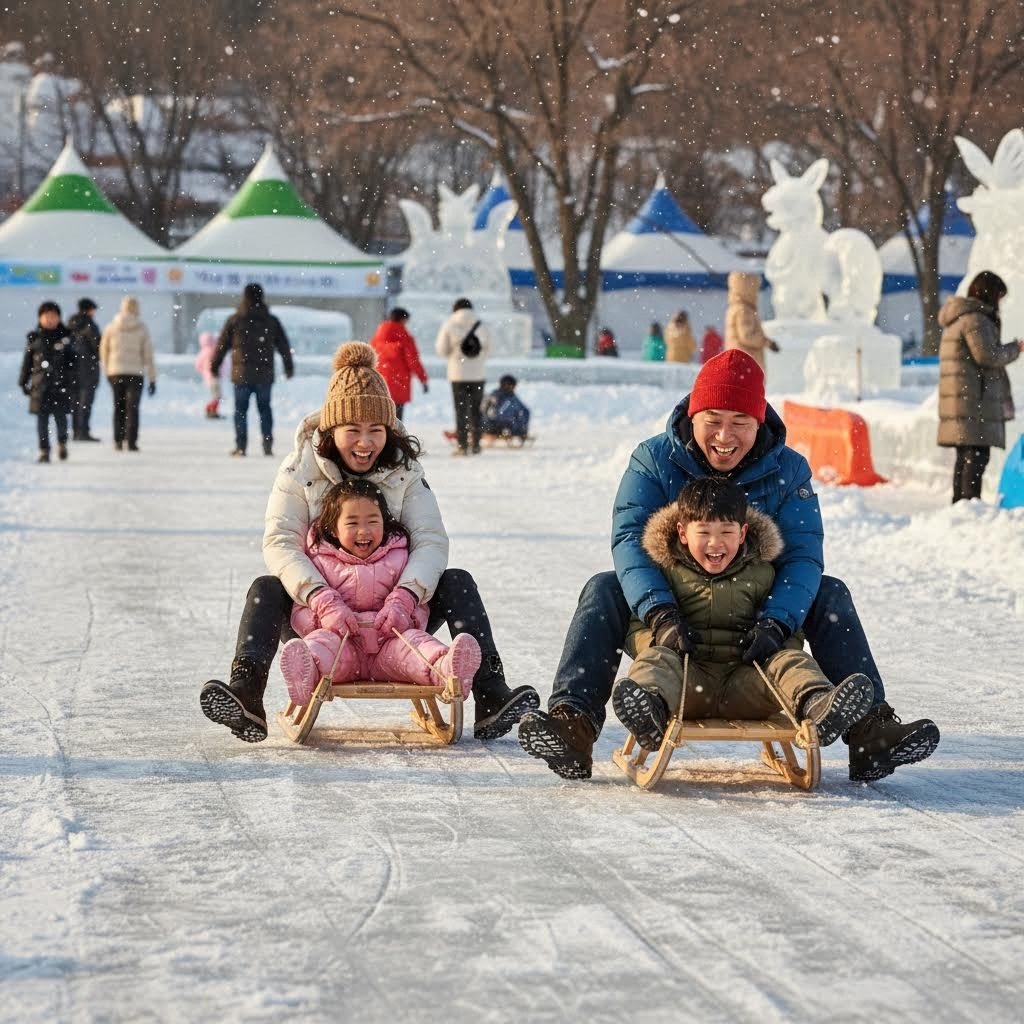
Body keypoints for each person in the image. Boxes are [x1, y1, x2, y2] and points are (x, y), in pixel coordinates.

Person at [518, 348, 940, 782]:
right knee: (603, 588)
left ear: (759, 422)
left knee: (829, 592)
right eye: (713, 420)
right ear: (693, 416)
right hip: (676, 621)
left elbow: (802, 556)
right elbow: (630, 540)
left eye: (740, 422)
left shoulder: (788, 470)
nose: (725, 435)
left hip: (752, 622)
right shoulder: (655, 460)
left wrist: (776, 622)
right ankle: (574, 725)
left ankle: (870, 731)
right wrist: (660, 613)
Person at [199, 341, 539, 743]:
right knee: (266, 588)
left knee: (457, 581)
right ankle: (247, 691)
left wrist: (406, 596)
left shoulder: (404, 470)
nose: (365, 443)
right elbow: (280, 541)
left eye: (376, 431)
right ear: (331, 430)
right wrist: (320, 597)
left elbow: (430, 539)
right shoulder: (300, 470)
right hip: (321, 618)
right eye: (353, 431)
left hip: (396, 615)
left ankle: (490, 690)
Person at [612, 477, 874, 752]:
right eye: (703, 532)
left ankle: (816, 705)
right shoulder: (666, 574)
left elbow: (792, 630)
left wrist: (772, 638)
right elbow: (636, 625)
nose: (715, 543)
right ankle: (650, 711)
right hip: (685, 686)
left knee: (789, 661)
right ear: (682, 533)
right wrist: (662, 637)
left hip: (747, 686)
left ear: (742, 533)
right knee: (655, 659)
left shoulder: (762, 574)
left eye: (727, 532)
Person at [279, 477, 481, 705]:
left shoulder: (399, 557)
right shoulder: (319, 562)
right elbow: (301, 609)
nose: (364, 531)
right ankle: (305, 675)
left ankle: (448, 670)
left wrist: (404, 615)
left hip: (390, 644)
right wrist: (324, 619)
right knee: (321, 646)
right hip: (342, 643)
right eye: (352, 523)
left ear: (385, 523)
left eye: (373, 521)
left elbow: (419, 604)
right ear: (333, 529)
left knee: (417, 646)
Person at [937, 271, 1023, 503]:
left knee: (966, 458)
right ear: (990, 294)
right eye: (999, 297)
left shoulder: (960, 318)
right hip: (974, 402)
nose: (1000, 304)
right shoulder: (975, 320)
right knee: (976, 458)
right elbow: (987, 356)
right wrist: (1015, 349)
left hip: (964, 400)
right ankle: (968, 504)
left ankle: (961, 505)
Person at [211, 283, 294, 458]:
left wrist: (215, 365)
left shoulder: (235, 320)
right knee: (265, 410)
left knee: (240, 411)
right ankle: (267, 444)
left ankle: (241, 446)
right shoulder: (271, 320)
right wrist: (288, 366)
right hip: (264, 374)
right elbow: (283, 345)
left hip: (241, 375)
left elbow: (222, 345)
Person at [18, 301, 77, 463]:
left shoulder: (66, 338)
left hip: (61, 386)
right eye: (46, 316)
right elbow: (27, 363)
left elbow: (74, 363)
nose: (50, 320)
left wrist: (72, 381)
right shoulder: (35, 339)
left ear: (59, 318)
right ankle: (44, 450)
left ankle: (62, 442)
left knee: (61, 419)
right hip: (40, 386)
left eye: (53, 316)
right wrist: (23, 382)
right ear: (40, 318)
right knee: (42, 421)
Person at [99, 296, 156, 453]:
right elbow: (148, 355)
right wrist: (152, 378)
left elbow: (104, 350)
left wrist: (107, 370)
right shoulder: (142, 328)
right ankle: (131, 441)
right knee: (133, 408)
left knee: (118, 406)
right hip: (135, 373)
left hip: (115, 372)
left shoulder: (111, 327)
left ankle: (118, 439)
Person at [435, 297, 491, 456]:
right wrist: (477, 360)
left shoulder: (449, 324)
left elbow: (441, 350)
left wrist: (455, 355)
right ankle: (476, 444)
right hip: (478, 375)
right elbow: (489, 349)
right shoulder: (481, 325)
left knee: (461, 411)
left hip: (458, 375)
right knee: (476, 410)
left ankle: (463, 445)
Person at [369, 307, 428, 421]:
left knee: (382, 417)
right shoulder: (404, 337)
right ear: (402, 320)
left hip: (380, 382)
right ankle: (395, 432)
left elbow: (370, 358)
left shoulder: (377, 337)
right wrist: (423, 378)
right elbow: (413, 361)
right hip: (399, 382)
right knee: (397, 419)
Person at [725, 271, 778, 370]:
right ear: (748, 290)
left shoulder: (734, 307)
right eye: (755, 290)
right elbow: (747, 336)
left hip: (737, 360)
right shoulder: (744, 310)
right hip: (747, 361)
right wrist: (766, 342)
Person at [68, 297, 102, 442]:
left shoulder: (70, 325)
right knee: (85, 402)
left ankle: (76, 431)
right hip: (88, 369)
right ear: (89, 310)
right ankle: (83, 432)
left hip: (72, 369)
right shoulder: (90, 326)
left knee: (75, 403)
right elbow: (98, 347)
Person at [481, 374, 530, 440]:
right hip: (495, 425)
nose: (513, 388)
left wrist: (522, 428)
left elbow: (525, 411)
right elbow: (488, 412)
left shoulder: (512, 397)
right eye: (511, 386)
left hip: (508, 426)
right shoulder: (496, 396)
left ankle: (518, 432)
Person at [195, 331, 225, 419]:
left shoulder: (203, 352)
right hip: (216, 376)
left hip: (208, 378)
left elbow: (198, 365)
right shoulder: (215, 351)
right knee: (217, 396)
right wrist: (223, 372)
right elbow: (222, 364)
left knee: (215, 396)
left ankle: (212, 411)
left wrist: (204, 372)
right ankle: (210, 409)